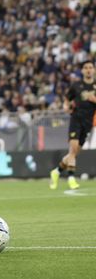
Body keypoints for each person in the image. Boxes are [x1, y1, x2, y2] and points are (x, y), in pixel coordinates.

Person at [50, 60, 96, 190]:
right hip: (76, 120)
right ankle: (71, 178)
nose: (88, 70)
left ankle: (57, 171)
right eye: (86, 67)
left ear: (94, 70)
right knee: (73, 149)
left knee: (74, 153)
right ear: (82, 71)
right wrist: (65, 106)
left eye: (90, 67)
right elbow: (66, 99)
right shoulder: (76, 86)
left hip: (87, 124)